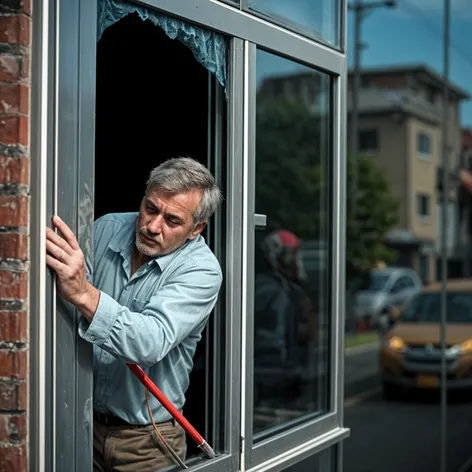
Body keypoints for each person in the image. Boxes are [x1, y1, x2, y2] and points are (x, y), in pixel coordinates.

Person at [45, 157, 223, 472]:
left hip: (147, 443)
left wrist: (84, 293)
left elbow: (149, 342)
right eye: (151, 209)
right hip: (78, 424)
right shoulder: (107, 227)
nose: (153, 226)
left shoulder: (202, 270)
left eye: (172, 220)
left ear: (196, 228)